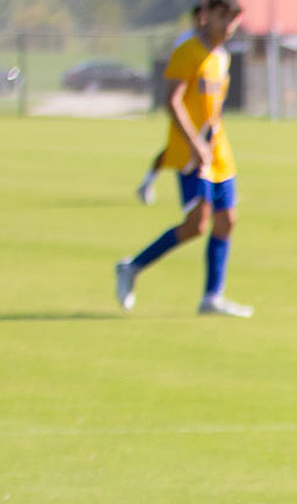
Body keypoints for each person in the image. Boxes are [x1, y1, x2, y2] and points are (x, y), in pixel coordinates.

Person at [114, 0, 252, 318]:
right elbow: (171, 100)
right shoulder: (187, 51)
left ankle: (212, 297)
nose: (228, 24)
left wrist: (211, 143)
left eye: (233, 18)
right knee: (196, 225)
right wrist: (194, 143)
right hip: (191, 153)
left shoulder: (221, 56)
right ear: (207, 16)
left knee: (227, 221)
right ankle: (131, 267)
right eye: (223, 16)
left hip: (217, 151)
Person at [135, 5, 202, 206]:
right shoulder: (186, 42)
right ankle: (148, 182)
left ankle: (217, 191)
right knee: (174, 149)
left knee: (210, 147)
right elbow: (176, 73)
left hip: (204, 107)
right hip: (185, 105)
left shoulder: (214, 44)